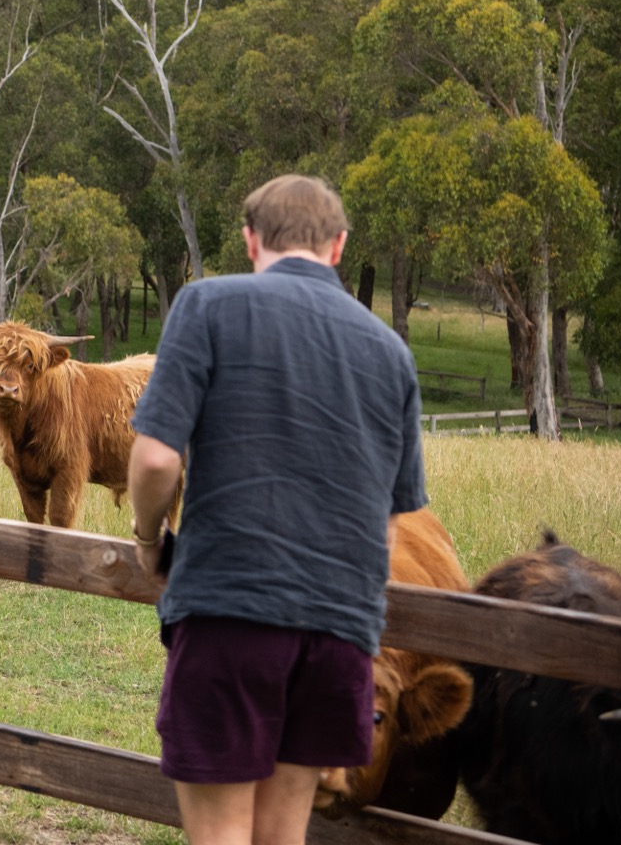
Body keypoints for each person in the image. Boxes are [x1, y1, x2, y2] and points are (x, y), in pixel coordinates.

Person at [124, 176, 426, 845]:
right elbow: (387, 524)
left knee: (222, 833)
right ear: (339, 246)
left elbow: (152, 461)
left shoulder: (209, 306)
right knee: (281, 834)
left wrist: (148, 539)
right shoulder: (392, 355)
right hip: (340, 633)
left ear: (250, 238)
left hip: (232, 614)